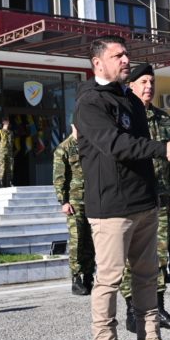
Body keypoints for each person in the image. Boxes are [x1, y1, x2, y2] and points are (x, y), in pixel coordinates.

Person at [73, 35, 170, 340]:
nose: (126, 60)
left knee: (147, 276)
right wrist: (163, 149)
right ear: (98, 63)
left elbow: (141, 145)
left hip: (143, 202)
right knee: (109, 281)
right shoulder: (89, 103)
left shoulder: (131, 100)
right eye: (118, 55)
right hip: (111, 206)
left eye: (126, 54)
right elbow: (117, 145)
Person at [121, 63, 170, 332]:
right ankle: (131, 310)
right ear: (131, 86)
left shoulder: (162, 118)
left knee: (159, 256)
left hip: (159, 196)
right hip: (131, 196)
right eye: (143, 82)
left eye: (152, 82)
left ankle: (157, 308)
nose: (149, 87)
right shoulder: (123, 115)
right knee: (130, 257)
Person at [53, 123, 95, 295]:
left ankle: (88, 276)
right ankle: (76, 278)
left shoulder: (90, 145)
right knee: (77, 239)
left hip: (92, 200)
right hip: (74, 201)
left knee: (91, 239)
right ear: (72, 126)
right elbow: (59, 178)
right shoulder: (63, 148)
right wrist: (63, 201)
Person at [0, 117, 14, 187]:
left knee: (10, 168)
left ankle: (9, 182)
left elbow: (12, 143)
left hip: (9, 153)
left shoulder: (10, 133)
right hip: (2, 153)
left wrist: (10, 151)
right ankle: (1, 182)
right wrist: (0, 151)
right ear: (3, 123)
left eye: (8, 122)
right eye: (6, 122)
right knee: (2, 168)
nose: (7, 123)